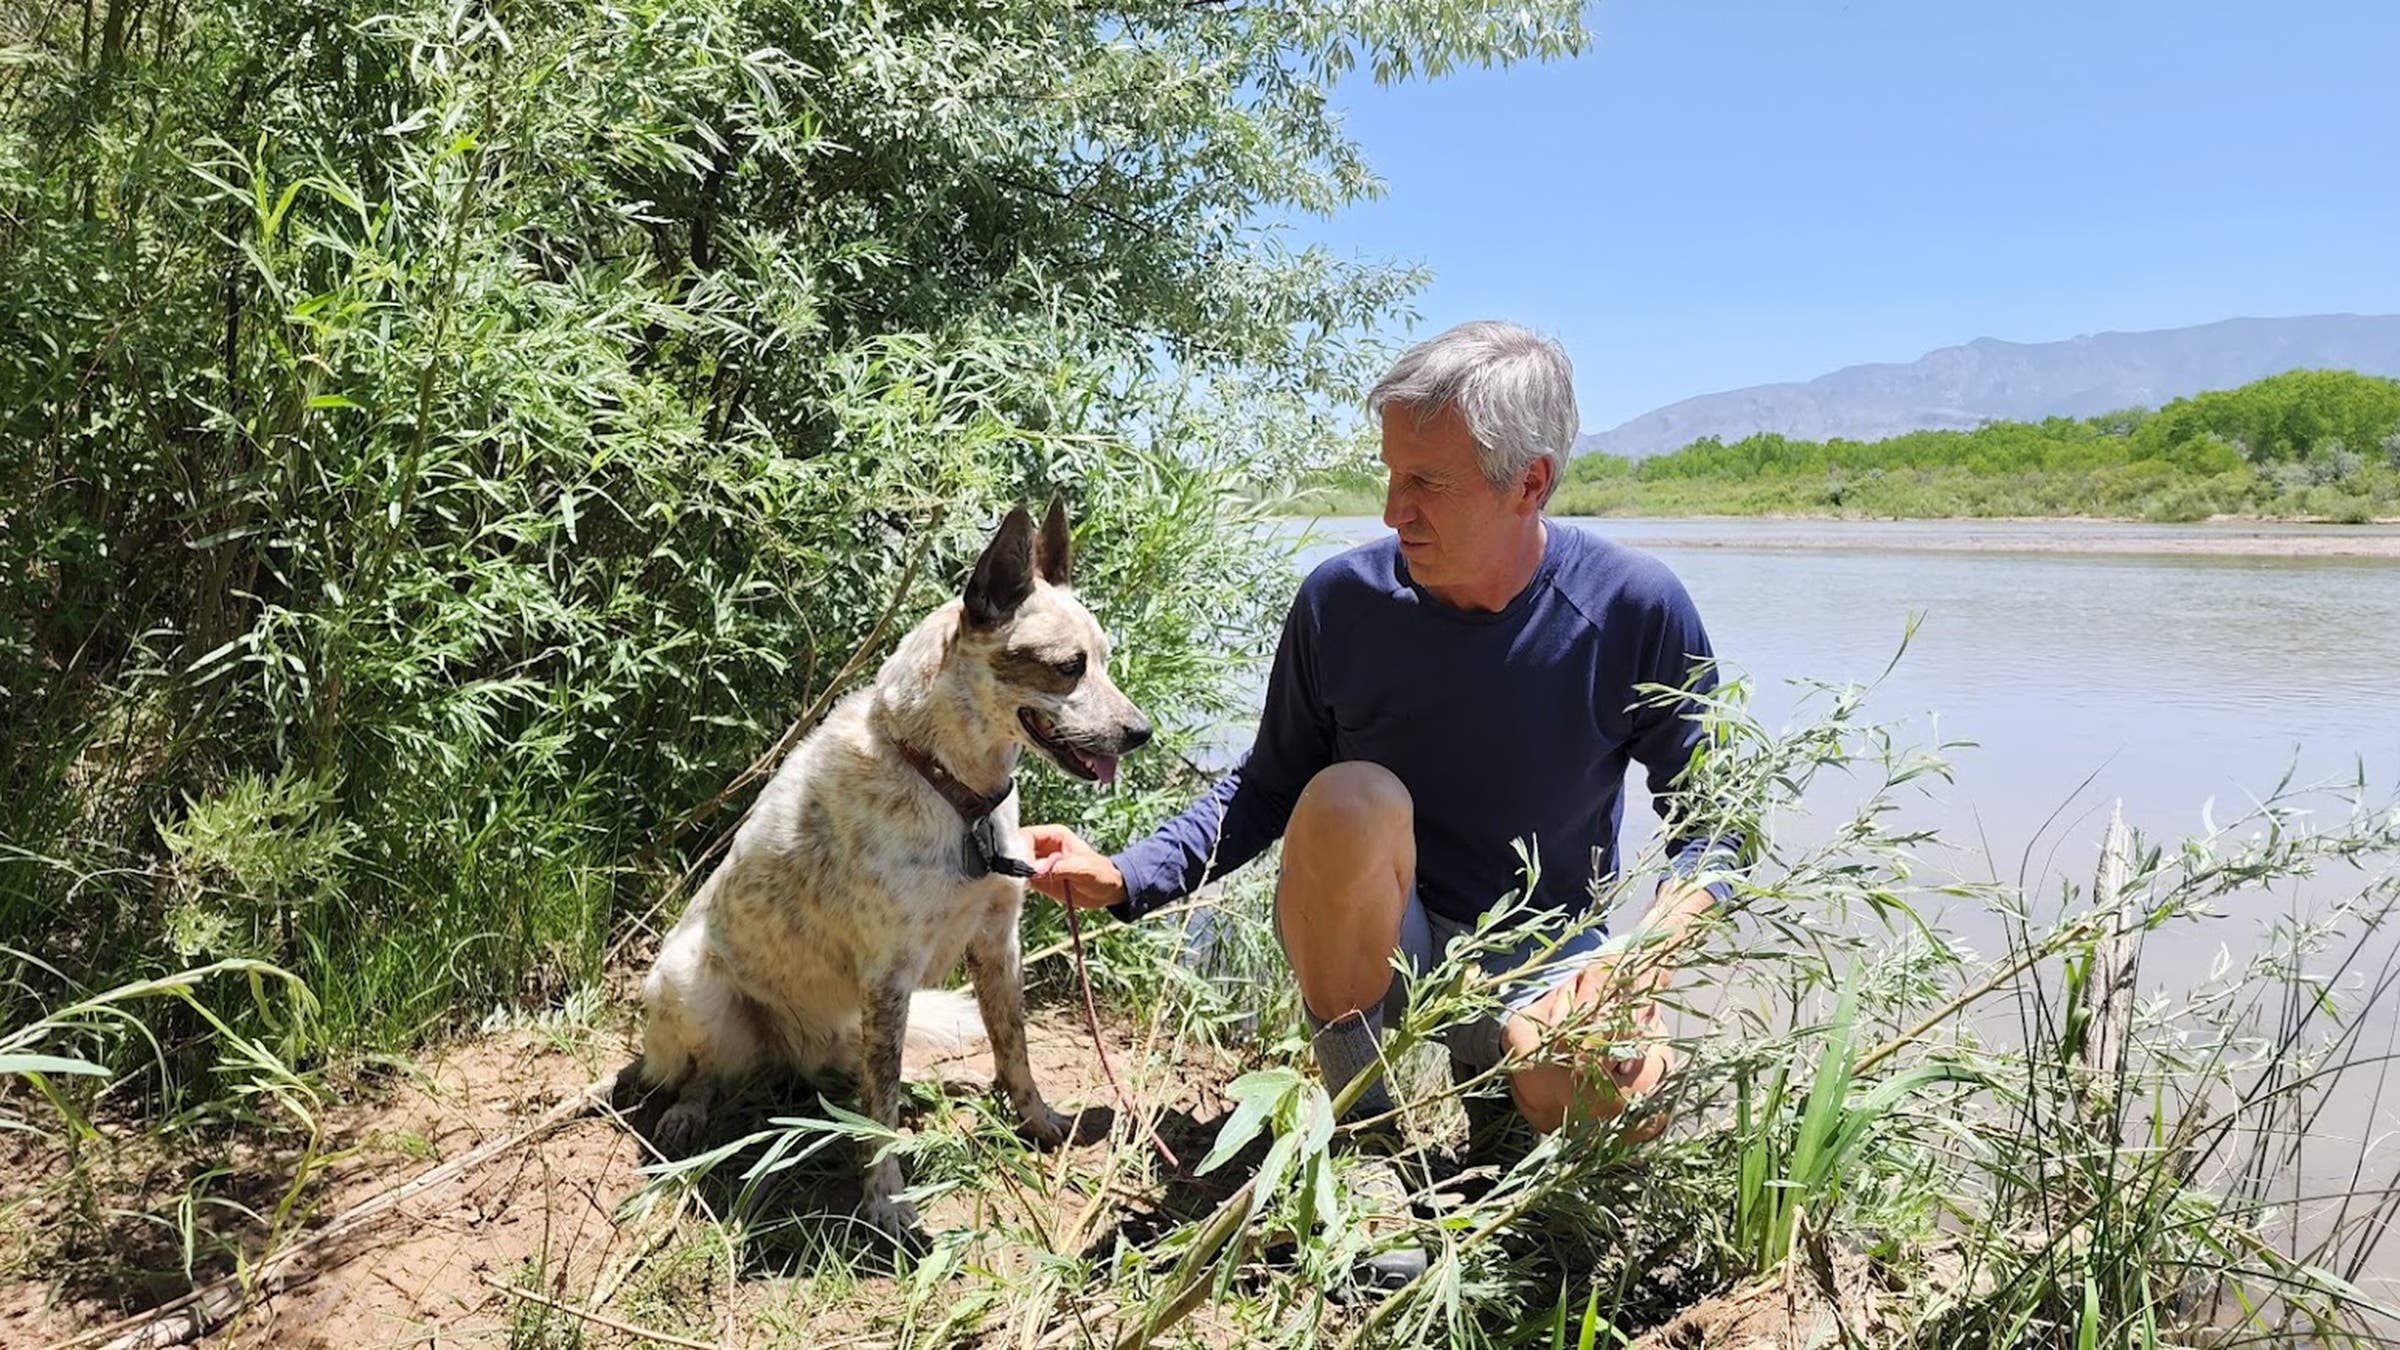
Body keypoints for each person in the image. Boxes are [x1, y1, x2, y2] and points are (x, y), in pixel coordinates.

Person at [1024, 320, 1735, 1288]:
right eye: (1391, 475)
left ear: (1530, 482)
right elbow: (1269, 780)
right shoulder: (1341, 601)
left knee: (1613, 1089)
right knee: (1348, 796)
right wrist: (1128, 876)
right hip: (1385, 942)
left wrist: (1634, 963)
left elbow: (1718, 826)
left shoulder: (1635, 607)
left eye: (1427, 483)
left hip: (1538, 947)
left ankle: (1517, 1141)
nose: (1394, 509)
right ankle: (1363, 1135)